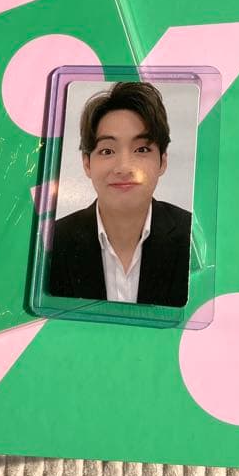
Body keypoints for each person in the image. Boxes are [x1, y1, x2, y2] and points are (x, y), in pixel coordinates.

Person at [48, 82, 191, 307]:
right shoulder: (53, 241)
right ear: (87, 164)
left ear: (163, 161)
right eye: (107, 151)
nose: (124, 168)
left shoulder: (191, 236)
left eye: (142, 149)